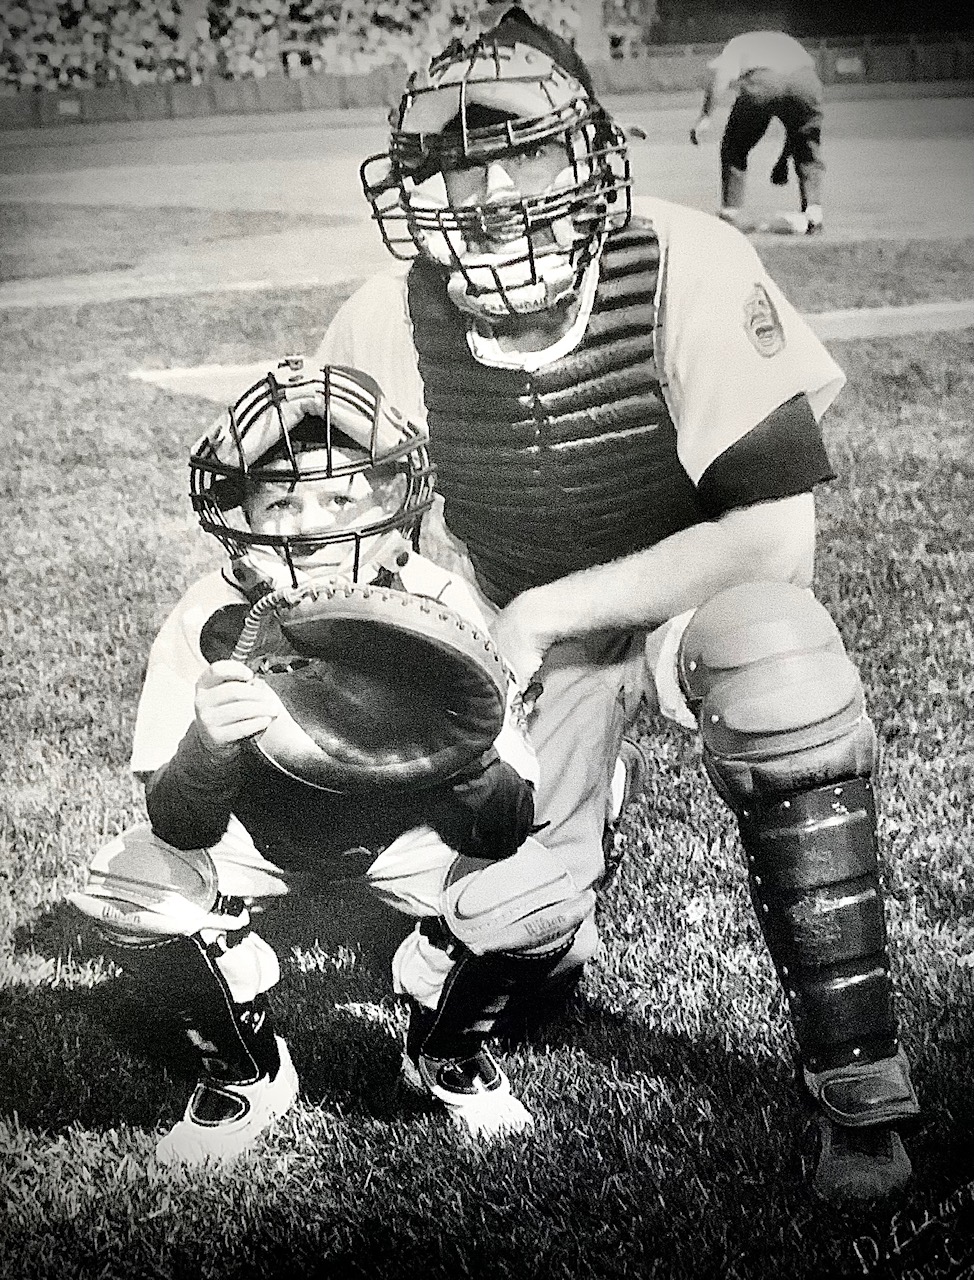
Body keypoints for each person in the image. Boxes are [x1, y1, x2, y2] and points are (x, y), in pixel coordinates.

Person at [311, 7, 920, 1201]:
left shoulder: (684, 259)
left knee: (778, 663)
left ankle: (859, 1086)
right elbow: (357, 554)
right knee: (515, 912)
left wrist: (548, 611)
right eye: (461, 160)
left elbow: (768, 533)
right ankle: (540, 920)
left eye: (525, 151)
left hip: (681, 573)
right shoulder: (384, 315)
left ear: (589, 155)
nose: (493, 189)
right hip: (508, 598)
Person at [72, 359, 610, 1166]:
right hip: (259, 831)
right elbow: (177, 820)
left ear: (395, 507)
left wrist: (459, 745)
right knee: (132, 889)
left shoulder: (439, 601)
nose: (311, 525)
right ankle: (247, 1070)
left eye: (339, 497)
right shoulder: (208, 617)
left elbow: (504, 824)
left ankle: (441, 1039)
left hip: (406, 830)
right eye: (281, 500)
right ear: (238, 515)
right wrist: (208, 743)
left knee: (541, 908)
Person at [689, 29, 825, 235]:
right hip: (806, 81)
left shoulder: (736, 44)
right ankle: (814, 215)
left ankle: (730, 215)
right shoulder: (784, 41)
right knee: (808, 153)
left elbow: (722, 76)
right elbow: (798, 133)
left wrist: (706, 117)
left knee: (734, 147)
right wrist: (782, 162)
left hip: (764, 80)